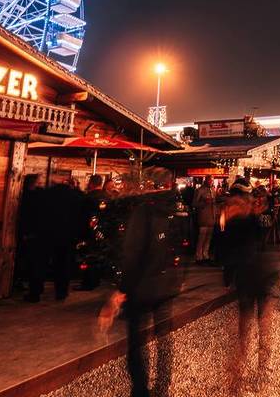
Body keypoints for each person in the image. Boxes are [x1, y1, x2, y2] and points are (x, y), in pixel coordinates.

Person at [98, 166, 182, 397]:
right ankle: (163, 387)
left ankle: (141, 390)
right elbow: (180, 245)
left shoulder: (143, 212)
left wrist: (121, 290)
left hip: (143, 287)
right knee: (164, 338)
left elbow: (133, 253)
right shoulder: (175, 210)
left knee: (137, 341)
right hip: (167, 284)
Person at [219, 177, 279, 390]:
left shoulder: (234, 219)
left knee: (252, 327)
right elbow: (262, 234)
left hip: (250, 275)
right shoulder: (246, 218)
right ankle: (252, 373)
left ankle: (246, 374)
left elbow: (223, 251)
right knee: (257, 326)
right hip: (256, 274)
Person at [26, 178, 81, 302]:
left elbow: (36, 214)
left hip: (45, 235)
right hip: (66, 236)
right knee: (63, 265)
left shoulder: (44, 195)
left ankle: (35, 293)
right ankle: (61, 292)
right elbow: (78, 218)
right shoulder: (75, 198)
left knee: (39, 264)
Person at [76, 174, 109, 291]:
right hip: (103, 231)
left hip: (89, 231)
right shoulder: (107, 196)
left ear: (91, 183)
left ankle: (88, 282)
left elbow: (82, 215)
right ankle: (96, 280)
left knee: (88, 256)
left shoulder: (88, 197)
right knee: (98, 256)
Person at [193, 177, 217, 264]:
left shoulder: (213, 190)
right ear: (205, 180)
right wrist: (204, 203)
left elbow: (214, 202)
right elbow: (194, 203)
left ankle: (205, 255)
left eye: (212, 180)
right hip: (203, 216)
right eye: (210, 180)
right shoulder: (200, 190)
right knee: (201, 238)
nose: (211, 182)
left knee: (208, 238)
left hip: (212, 216)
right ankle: (199, 256)